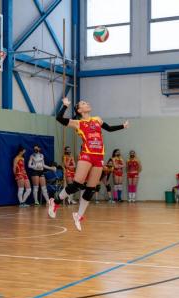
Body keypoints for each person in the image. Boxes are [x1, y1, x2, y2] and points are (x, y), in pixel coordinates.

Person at [48, 98, 129, 231]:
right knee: (77, 184)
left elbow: (108, 128)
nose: (87, 103)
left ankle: (78, 215)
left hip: (99, 157)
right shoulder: (78, 123)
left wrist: (123, 126)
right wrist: (65, 106)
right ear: (79, 110)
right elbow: (59, 118)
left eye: (86, 102)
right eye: (83, 103)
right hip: (87, 155)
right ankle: (55, 201)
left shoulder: (97, 119)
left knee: (91, 189)